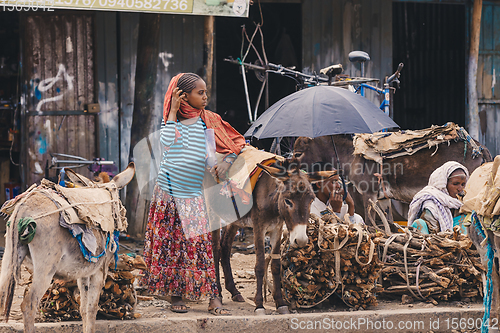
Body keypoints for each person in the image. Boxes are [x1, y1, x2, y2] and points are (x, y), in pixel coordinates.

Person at [142, 73, 246, 315]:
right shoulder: (171, 122)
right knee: (173, 246)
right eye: (200, 93)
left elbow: (223, 147)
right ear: (183, 96)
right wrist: (171, 112)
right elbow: (166, 143)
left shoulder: (207, 120)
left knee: (201, 246)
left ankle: (213, 297)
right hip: (169, 194)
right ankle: (176, 295)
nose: (206, 97)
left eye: (206, 92)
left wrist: (224, 163)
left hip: (193, 194)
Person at [407, 161, 469, 234]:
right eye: (456, 184)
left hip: (457, 242)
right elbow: (432, 231)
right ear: (444, 184)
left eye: (463, 184)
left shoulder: (460, 203)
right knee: (419, 223)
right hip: (433, 240)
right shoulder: (431, 203)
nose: (460, 188)